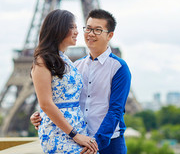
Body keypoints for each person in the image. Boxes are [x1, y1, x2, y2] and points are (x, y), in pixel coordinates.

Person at [31, 9, 132, 154]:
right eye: (88, 28)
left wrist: (96, 142)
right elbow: (60, 98)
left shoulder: (119, 68)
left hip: (107, 142)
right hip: (76, 137)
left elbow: (116, 111)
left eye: (97, 30)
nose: (90, 33)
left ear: (110, 35)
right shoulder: (74, 66)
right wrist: (42, 114)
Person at [31, 9, 98, 153]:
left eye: (76, 27)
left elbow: (59, 96)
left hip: (78, 128)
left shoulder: (65, 60)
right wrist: (75, 135)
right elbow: (46, 103)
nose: (77, 32)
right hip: (60, 133)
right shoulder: (42, 61)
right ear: (58, 29)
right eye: (72, 27)